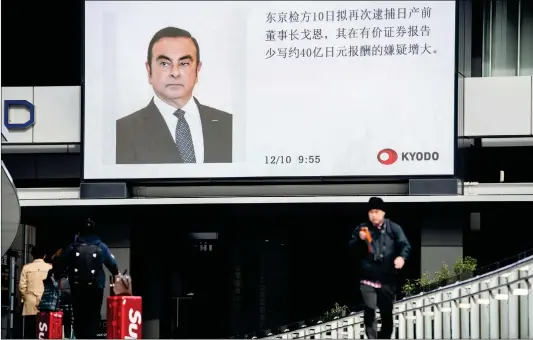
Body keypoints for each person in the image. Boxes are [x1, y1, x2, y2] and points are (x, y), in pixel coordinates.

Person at [116, 26, 233, 165]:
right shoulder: (122, 131)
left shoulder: (228, 124)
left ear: (197, 70)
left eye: (184, 63)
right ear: (149, 71)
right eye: (165, 64)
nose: (175, 73)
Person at [348, 197, 411, 339]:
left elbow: (405, 245)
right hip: (367, 278)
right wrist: (359, 239)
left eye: (376, 211)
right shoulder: (362, 228)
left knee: (386, 313)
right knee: (370, 310)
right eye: (371, 212)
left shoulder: (393, 228)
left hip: (387, 278)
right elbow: (351, 249)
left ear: (383, 213)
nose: (373, 215)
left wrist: (402, 257)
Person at [55, 218, 119, 339]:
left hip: (77, 286)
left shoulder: (73, 246)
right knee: (93, 314)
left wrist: (58, 274)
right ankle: (92, 335)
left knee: (79, 315)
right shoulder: (101, 246)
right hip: (96, 286)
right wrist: (116, 273)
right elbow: (113, 265)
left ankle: (80, 336)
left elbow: (62, 263)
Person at [19, 245, 52, 339]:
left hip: (30, 301)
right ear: (44, 255)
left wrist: (27, 298)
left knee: (30, 330)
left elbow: (22, 286)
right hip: (46, 303)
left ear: (32, 255)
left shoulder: (26, 268)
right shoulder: (49, 267)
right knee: (45, 331)